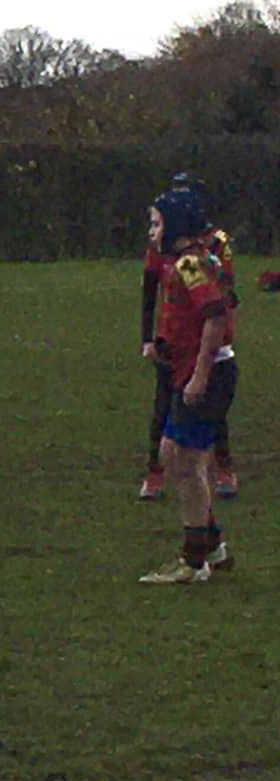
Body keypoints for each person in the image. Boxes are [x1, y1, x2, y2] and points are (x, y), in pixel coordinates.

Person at [137, 189, 237, 585]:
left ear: (175, 225)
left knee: (187, 463)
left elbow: (214, 317)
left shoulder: (190, 265)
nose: (151, 231)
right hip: (194, 370)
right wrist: (167, 346)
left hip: (208, 376)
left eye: (157, 222)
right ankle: (212, 546)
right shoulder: (187, 261)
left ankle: (194, 562)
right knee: (172, 454)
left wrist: (199, 374)